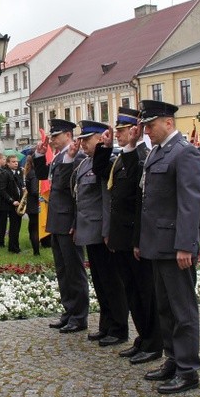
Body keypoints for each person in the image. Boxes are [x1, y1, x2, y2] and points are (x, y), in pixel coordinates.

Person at [134, 99, 200, 395]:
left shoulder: (184, 153)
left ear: (168, 123)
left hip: (176, 246)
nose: (147, 131)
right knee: (165, 307)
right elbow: (148, 203)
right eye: (145, 126)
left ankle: (188, 369)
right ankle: (172, 359)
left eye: (150, 125)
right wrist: (142, 241)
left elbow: (190, 203)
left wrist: (186, 246)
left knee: (182, 309)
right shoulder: (156, 154)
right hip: (156, 243)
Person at [93, 107, 162, 364]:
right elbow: (102, 172)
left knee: (145, 292)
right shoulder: (123, 156)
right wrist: (104, 147)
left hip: (136, 237)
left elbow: (138, 198)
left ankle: (154, 341)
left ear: (136, 130)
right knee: (132, 292)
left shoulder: (142, 155)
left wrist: (136, 239)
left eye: (121, 131)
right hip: (121, 236)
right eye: (118, 131)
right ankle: (143, 338)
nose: (118, 135)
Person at [71, 120, 127, 347]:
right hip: (88, 230)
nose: (83, 144)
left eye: (87, 140)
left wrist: (108, 231)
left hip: (101, 232)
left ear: (101, 138)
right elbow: (79, 199)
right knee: (100, 282)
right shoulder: (85, 164)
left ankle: (118, 327)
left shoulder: (109, 162)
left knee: (111, 282)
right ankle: (106, 325)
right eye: (82, 140)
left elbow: (107, 200)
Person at [34, 118, 89, 334]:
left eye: (55, 136)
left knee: (74, 270)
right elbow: (42, 176)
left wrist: (76, 222)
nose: (52, 140)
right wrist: (39, 154)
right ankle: (69, 311)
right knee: (62, 270)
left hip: (68, 221)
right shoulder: (59, 157)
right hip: (57, 220)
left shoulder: (77, 157)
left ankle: (79, 315)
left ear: (68, 135)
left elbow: (77, 194)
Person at [22, 155, 41, 256]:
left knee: (33, 226)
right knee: (35, 229)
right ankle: (36, 251)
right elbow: (34, 190)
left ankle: (35, 249)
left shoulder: (30, 172)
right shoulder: (34, 173)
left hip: (31, 203)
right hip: (34, 204)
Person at [5, 154, 23, 253]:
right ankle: (13, 247)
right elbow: (2, 189)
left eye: (16, 161)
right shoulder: (5, 173)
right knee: (14, 227)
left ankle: (15, 245)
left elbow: (20, 185)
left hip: (19, 201)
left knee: (17, 226)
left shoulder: (18, 172)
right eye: (13, 162)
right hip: (12, 203)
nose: (16, 163)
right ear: (8, 163)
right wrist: (11, 200)